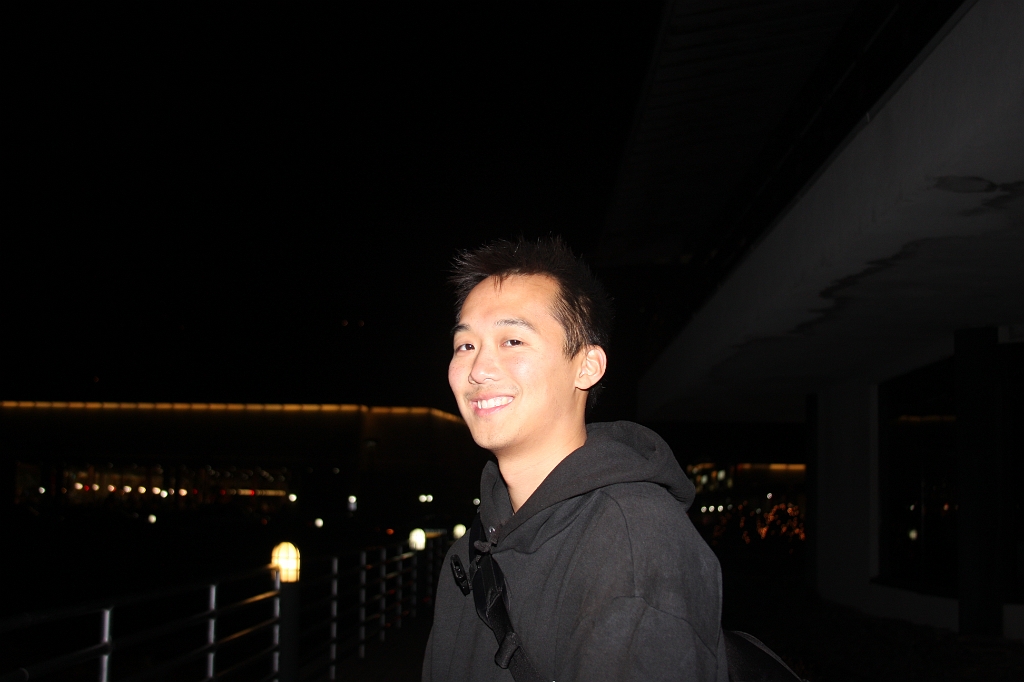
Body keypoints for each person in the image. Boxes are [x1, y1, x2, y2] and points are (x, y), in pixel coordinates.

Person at [422, 237, 728, 682]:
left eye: (512, 340)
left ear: (587, 366)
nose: (478, 369)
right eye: (465, 345)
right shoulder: (469, 552)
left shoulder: (634, 543)